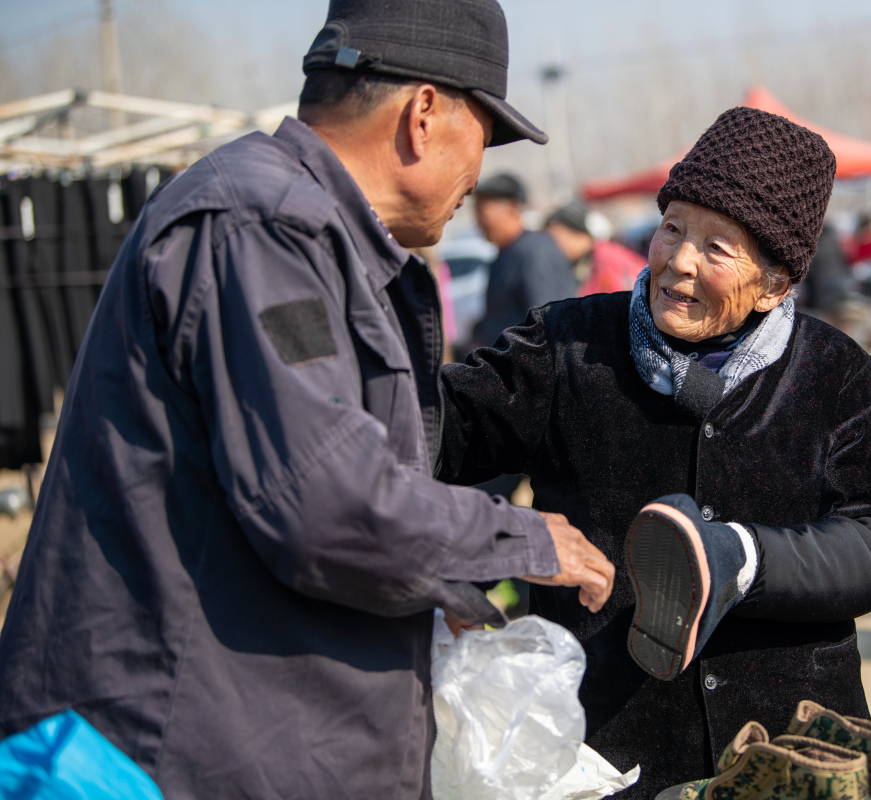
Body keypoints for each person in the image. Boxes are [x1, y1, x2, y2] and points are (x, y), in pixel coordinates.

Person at [0, 1, 615, 797]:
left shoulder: (316, 235)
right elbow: (324, 501)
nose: (483, 173)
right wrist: (522, 539)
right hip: (159, 755)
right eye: (486, 134)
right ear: (424, 114)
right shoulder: (260, 226)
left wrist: (433, 584)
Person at [438, 106, 871, 798]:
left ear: (775, 284)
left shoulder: (836, 376)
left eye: (717, 248)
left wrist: (744, 559)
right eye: (672, 228)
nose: (678, 261)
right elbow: (427, 433)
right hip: (604, 754)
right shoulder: (567, 348)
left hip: (789, 752)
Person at [470, 173, 579, 348]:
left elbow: (550, 327)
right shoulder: (506, 253)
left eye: (482, 211)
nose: (478, 222)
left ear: (513, 208)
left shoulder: (534, 253)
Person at [542, 198, 646, 295]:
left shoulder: (607, 262)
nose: (553, 245)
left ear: (579, 234)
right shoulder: (593, 259)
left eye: (557, 237)